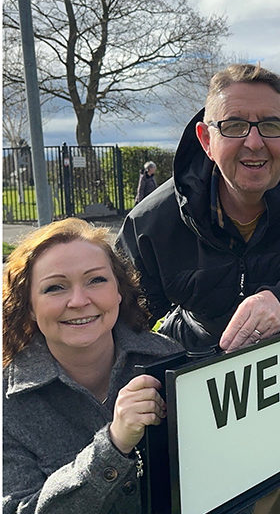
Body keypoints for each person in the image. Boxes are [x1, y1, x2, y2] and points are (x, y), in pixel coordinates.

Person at [117, 63, 280, 513]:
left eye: (271, 125)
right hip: (206, 405)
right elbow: (117, 318)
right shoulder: (153, 222)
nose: (255, 141)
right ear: (206, 139)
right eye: (236, 125)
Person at [3, 218, 183, 514]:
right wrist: (113, 445)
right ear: (30, 307)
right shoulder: (7, 406)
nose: (78, 300)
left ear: (119, 291)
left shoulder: (169, 359)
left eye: (96, 280)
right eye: (55, 288)